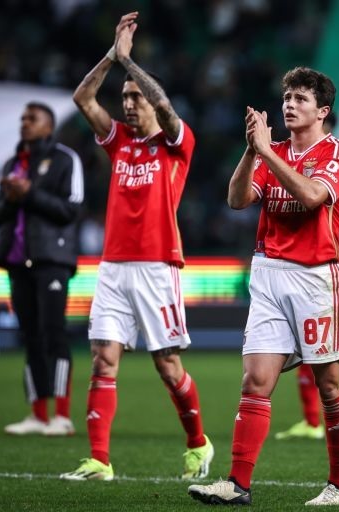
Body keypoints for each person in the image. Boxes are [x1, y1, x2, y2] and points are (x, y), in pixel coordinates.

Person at [188, 67, 339, 506]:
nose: (288, 104)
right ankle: (237, 484)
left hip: (316, 278)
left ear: (323, 110)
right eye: (286, 97)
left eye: (300, 98)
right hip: (267, 274)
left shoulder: (338, 152)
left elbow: (313, 197)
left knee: (331, 386)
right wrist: (251, 152)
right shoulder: (269, 151)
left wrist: (267, 152)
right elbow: (237, 199)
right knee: (255, 380)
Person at [60, 12, 213, 481]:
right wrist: (113, 57)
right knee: (103, 359)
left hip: (156, 267)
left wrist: (134, 66)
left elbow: (167, 109)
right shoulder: (118, 141)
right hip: (113, 267)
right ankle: (100, 461)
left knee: (168, 366)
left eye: (134, 97)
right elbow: (82, 97)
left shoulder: (176, 142)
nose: (127, 104)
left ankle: (198, 444)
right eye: (124, 97)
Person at [0, 101, 83, 437]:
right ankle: (37, 413)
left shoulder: (64, 160)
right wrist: (13, 198)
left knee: (53, 332)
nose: (24, 122)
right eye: (23, 117)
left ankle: (62, 414)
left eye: (32, 118)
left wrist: (29, 194)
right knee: (30, 336)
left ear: (48, 126)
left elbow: (70, 210)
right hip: (17, 260)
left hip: (51, 259)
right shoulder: (12, 164)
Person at [275, 112, 339, 442]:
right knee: (303, 346)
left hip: (327, 267)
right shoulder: (290, 158)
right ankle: (311, 420)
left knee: (334, 349)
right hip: (291, 267)